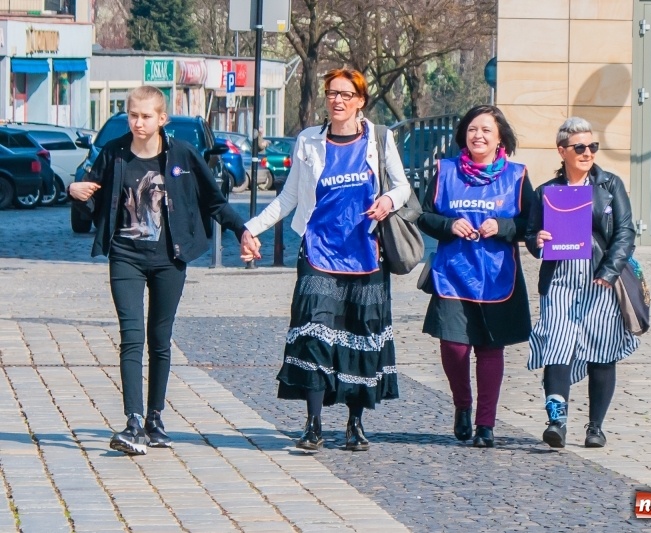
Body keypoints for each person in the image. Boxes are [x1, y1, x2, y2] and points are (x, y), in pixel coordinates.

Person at [68, 85, 248, 455]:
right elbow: (92, 203)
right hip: (126, 256)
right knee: (132, 336)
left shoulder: (182, 154)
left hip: (170, 258)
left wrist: (242, 230)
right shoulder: (114, 153)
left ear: (161, 118)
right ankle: (133, 421)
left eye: (146, 116)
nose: (138, 122)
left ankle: (155, 418)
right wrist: (76, 193)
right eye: (133, 115)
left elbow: (214, 202)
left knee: (160, 339)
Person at [239, 68, 411, 452]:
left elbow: (402, 187)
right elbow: (288, 197)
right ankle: (313, 424)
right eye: (332, 93)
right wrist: (251, 228)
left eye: (346, 94)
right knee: (314, 335)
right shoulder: (309, 141)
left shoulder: (379, 139)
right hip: (318, 253)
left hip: (366, 255)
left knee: (359, 338)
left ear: (360, 101)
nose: (338, 100)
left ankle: (355, 424)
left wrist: (388, 200)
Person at [417, 105, 533, 448]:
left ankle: (485, 424)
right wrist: (449, 224)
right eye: (472, 129)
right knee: (454, 347)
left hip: (496, 276)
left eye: (486, 130)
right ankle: (463, 405)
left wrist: (504, 226)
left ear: (500, 139)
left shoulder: (517, 176)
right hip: (453, 273)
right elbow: (423, 216)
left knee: (489, 349)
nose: (478, 135)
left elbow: (531, 224)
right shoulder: (445, 171)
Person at [525, 117, 639, 449]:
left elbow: (625, 233)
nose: (588, 152)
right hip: (560, 281)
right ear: (562, 151)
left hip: (600, 279)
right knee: (556, 346)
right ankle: (556, 422)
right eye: (580, 147)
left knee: (601, 351)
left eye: (592, 146)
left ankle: (595, 427)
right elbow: (531, 236)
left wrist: (609, 271)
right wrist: (538, 241)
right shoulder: (546, 192)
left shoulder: (610, 185)